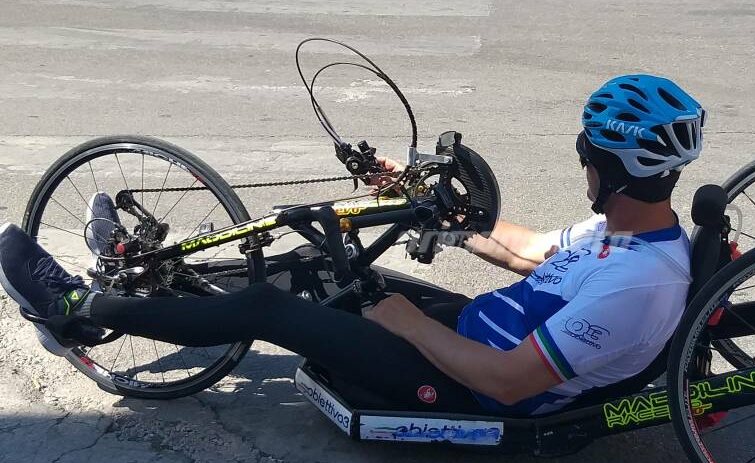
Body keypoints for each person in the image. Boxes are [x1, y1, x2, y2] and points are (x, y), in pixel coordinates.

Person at [0, 75, 705, 416]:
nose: (581, 165)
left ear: (607, 170)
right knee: (318, 257)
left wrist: (411, 323)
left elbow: (508, 383)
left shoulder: (636, 285)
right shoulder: (626, 232)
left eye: (585, 155)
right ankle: (138, 285)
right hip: (464, 332)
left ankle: (76, 308)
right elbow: (531, 253)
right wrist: (430, 203)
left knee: (266, 311)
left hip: (463, 384)